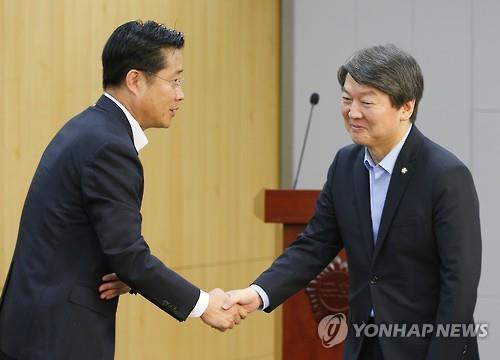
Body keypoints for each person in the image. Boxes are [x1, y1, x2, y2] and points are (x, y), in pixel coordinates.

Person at [0, 20, 245, 360]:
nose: (180, 93)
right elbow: (129, 256)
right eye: (173, 80)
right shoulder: (109, 147)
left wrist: (130, 274)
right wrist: (203, 304)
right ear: (135, 80)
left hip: (33, 328)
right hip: (58, 339)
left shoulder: (88, 129)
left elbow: (100, 246)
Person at [224, 44, 482, 359]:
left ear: (406, 107)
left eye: (367, 102)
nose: (352, 112)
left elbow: (460, 285)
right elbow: (314, 245)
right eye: (347, 99)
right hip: (364, 345)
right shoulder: (346, 165)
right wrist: (258, 293)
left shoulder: (444, 175)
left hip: (426, 348)